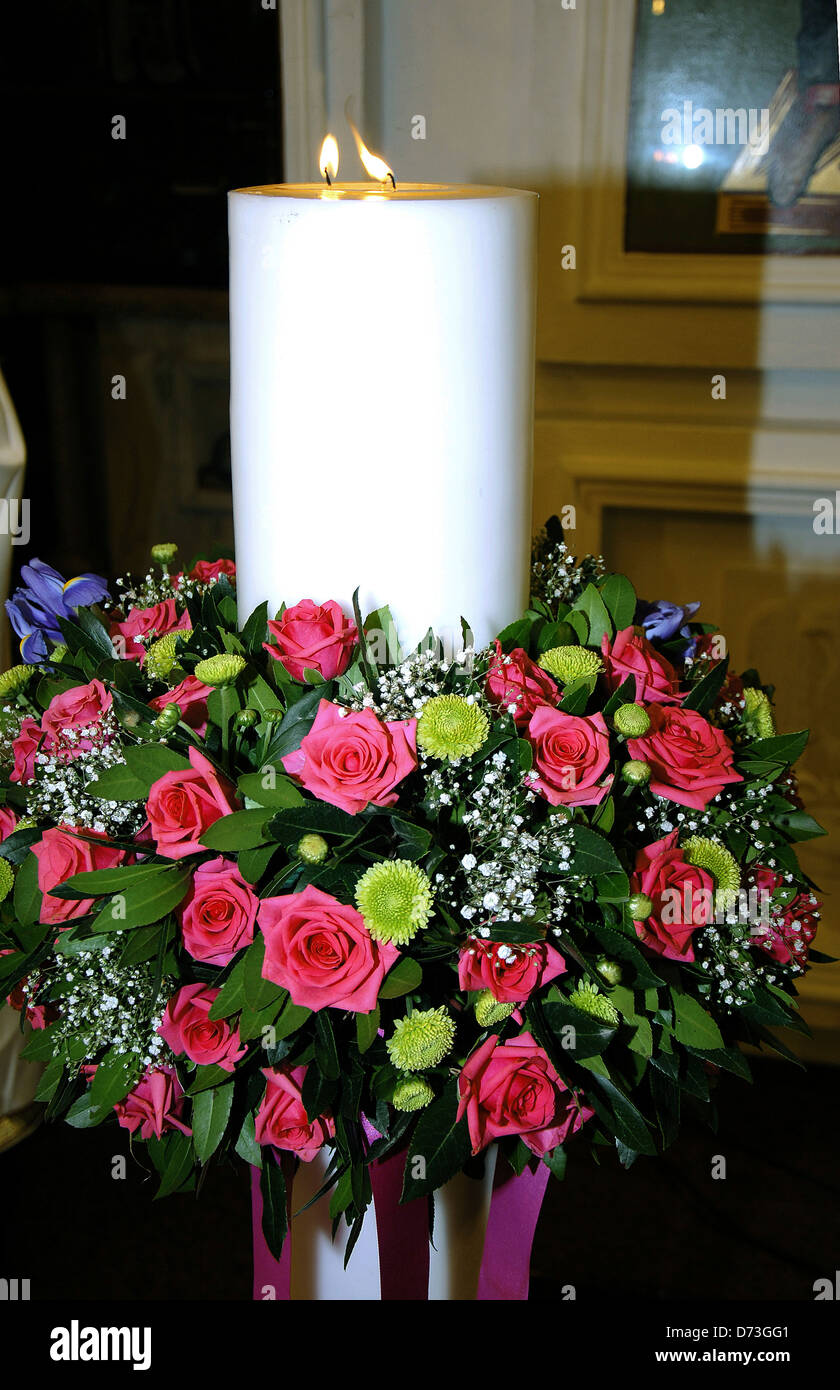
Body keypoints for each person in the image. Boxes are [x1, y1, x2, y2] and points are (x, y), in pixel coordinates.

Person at [768, 0, 840, 206]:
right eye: (793, 185)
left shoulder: (793, 135)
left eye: (784, 181)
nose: (792, 181)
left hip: (819, 67)